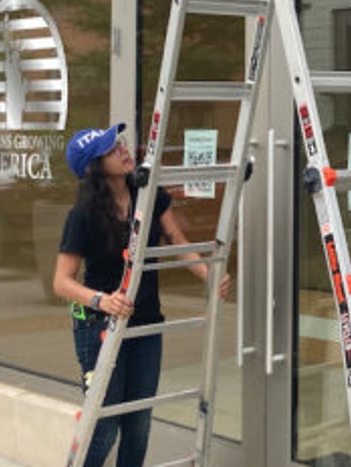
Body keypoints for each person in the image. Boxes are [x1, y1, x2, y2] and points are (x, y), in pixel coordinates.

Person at [53, 123, 231, 467]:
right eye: (110, 150)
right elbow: (61, 282)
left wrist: (209, 277)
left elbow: (178, 241)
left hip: (146, 324)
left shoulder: (148, 197)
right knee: (105, 424)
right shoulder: (82, 216)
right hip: (98, 328)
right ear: (93, 169)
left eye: (119, 143)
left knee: (138, 423)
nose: (123, 150)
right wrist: (101, 300)